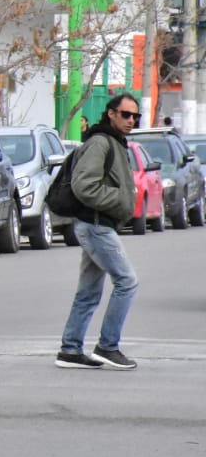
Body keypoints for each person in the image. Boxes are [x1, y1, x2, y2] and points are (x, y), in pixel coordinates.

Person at [56, 93, 140, 370]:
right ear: (111, 114)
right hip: (95, 225)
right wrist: (120, 200)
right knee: (127, 281)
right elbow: (84, 186)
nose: (131, 120)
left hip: (97, 224)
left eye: (135, 116)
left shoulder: (115, 143)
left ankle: (70, 350)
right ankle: (107, 346)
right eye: (125, 114)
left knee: (88, 292)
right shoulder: (100, 142)